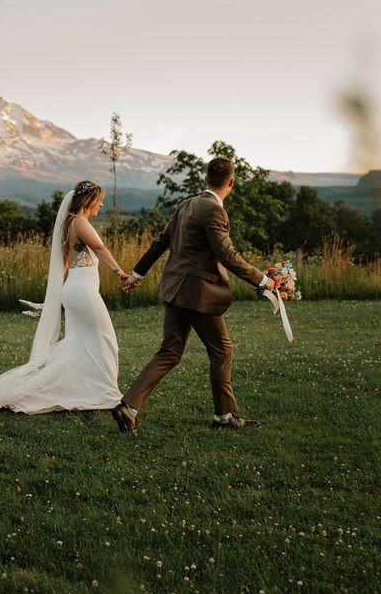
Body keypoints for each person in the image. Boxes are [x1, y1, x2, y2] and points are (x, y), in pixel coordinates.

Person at [0, 181, 129, 414]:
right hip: (82, 291)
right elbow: (99, 249)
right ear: (88, 201)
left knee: (80, 344)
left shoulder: (69, 225)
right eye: (99, 199)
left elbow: (65, 263)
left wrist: (53, 299)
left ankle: (92, 389)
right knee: (106, 338)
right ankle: (104, 391)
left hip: (75, 289)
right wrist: (120, 273)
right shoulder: (79, 221)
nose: (102, 203)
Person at [113, 157, 275, 433]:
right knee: (222, 351)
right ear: (232, 182)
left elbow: (161, 242)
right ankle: (224, 418)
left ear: (205, 178)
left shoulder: (186, 204)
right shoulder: (214, 211)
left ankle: (128, 406)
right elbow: (227, 254)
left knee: (170, 351)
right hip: (197, 294)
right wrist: (262, 279)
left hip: (175, 290)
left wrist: (136, 274)